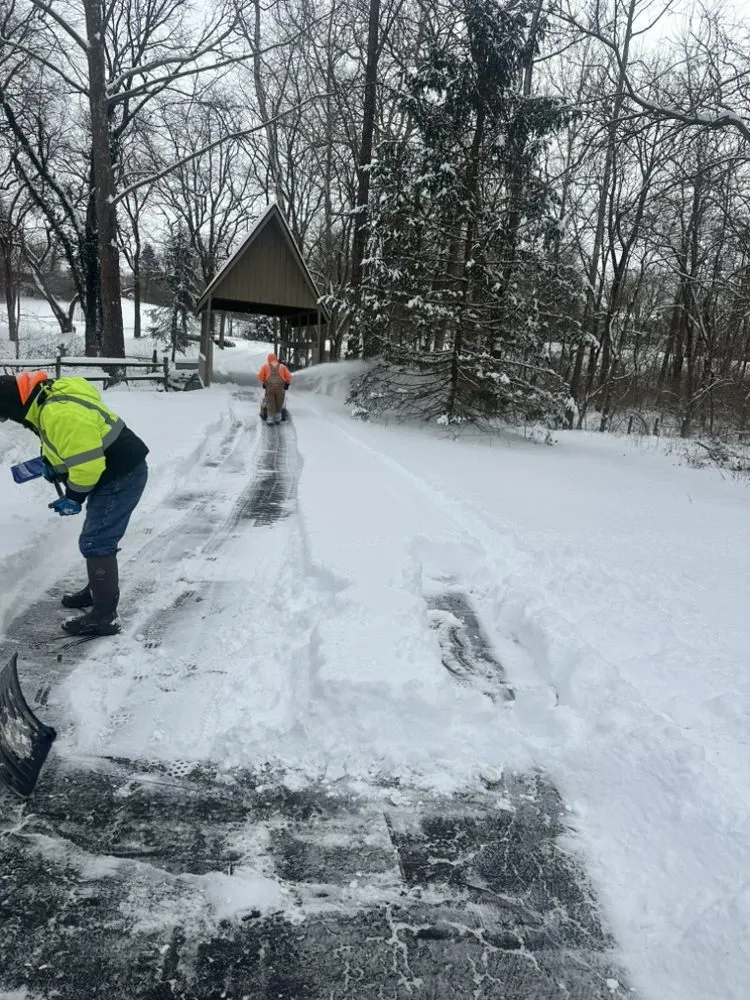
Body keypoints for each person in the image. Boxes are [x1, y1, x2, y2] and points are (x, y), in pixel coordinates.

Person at [0, 371, 149, 637]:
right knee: (98, 536)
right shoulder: (49, 395)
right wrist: (54, 466)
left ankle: (104, 616)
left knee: (96, 541)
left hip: (121, 474)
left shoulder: (58, 412)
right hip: (117, 468)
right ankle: (97, 590)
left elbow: (88, 464)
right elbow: (75, 440)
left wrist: (73, 497)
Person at [257, 353, 292, 425]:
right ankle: (278, 419)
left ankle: (270, 419)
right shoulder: (282, 367)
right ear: (276, 358)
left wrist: (263, 382)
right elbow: (289, 376)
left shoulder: (265, 366)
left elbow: (260, 376)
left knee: (270, 402)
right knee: (279, 402)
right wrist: (287, 384)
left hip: (269, 388)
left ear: (268, 359)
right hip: (280, 388)